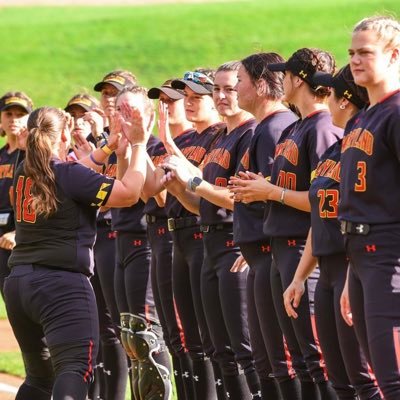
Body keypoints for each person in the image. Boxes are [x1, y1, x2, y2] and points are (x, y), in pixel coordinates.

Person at [3, 104, 150, 400]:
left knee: (39, 379)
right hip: (61, 286)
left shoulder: (24, 171)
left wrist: (108, 148)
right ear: (65, 134)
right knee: (75, 368)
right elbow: (130, 192)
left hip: (18, 283)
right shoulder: (67, 174)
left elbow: (76, 174)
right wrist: (138, 144)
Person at [230, 47, 342, 400]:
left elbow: (324, 199)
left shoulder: (322, 126)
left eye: (287, 74)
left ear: (298, 79)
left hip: (300, 247)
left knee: (312, 357)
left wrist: (271, 192)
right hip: (282, 249)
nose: (282, 80)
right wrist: (261, 189)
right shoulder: (296, 127)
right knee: (298, 357)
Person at [283, 65, 381, 400]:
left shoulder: (361, 149)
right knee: (337, 377)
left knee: (364, 377)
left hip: (350, 267)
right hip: (325, 271)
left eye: (333, 93)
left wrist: (353, 275)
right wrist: (299, 277)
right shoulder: (333, 151)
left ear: (344, 101)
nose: (327, 99)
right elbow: (317, 219)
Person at [162, 61, 259, 400]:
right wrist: (178, 189)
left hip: (233, 244)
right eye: (216, 89)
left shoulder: (250, 132)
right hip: (210, 241)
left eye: (229, 89)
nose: (221, 96)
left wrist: (195, 182)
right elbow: (200, 201)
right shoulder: (222, 136)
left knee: (243, 350)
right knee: (217, 349)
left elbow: (240, 198)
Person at [143, 69, 225, 400]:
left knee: (213, 342)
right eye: (185, 97)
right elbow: (160, 196)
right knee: (184, 340)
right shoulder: (188, 141)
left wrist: (166, 142)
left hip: (205, 237)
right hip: (177, 237)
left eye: (196, 97)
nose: (188, 104)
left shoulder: (220, 137)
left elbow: (202, 200)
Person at [337, 16, 400, 400]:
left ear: (394, 55)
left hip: (388, 255)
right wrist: (350, 275)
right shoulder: (362, 117)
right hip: (359, 257)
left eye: (365, 52)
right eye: (351, 53)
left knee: (393, 381)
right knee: (377, 378)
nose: (355, 61)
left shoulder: (395, 111)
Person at [231, 52, 300, 400]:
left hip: (275, 254)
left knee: (283, 360)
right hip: (261, 253)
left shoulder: (275, 127)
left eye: (240, 80)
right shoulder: (265, 127)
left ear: (260, 84)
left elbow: (276, 189)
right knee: (267, 360)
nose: (235, 89)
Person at [65, 93, 129, 400]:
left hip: (121, 238)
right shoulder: (84, 151)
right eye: (72, 114)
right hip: (97, 239)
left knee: (122, 330)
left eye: (113, 96)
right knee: (101, 328)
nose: (80, 118)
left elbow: (126, 194)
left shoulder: (119, 143)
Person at [146, 79, 196, 400]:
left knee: (195, 338)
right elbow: (152, 194)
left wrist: (168, 144)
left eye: (172, 100)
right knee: (175, 336)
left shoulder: (199, 140)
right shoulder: (157, 146)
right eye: (160, 100)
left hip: (187, 235)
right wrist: (137, 145)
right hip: (166, 235)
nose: (164, 106)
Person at [0, 92, 32, 297]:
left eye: (20, 114)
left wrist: (18, 233)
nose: (14, 119)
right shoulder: (1, 155)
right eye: (8, 113)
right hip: (1, 237)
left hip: (21, 239)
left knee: (25, 302)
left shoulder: (33, 156)